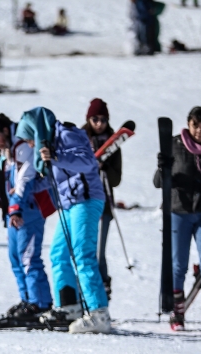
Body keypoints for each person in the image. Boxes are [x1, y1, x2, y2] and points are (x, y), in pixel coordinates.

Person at [15, 107, 111, 333]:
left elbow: (87, 162)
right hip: (69, 204)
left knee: (82, 254)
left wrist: (57, 156)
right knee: (58, 253)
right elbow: (51, 180)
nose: (30, 145)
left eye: (30, 139)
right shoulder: (46, 146)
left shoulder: (66, 134)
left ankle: (99, 313)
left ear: (37, 132)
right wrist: (20, 192)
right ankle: (69, 306)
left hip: (86, 200)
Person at [154, 106, 201, 334]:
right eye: (196, 125)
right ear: (189, 123)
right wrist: (162, 168)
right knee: (179, 265)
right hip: (179, 212)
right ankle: (177, 313)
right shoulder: (175, 145)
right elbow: (159, 182)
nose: (199, 131)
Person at [0, 113, 53, 325]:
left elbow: (25, 179)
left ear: (4, 131)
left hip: (27, 210)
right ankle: (27, 300)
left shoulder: (22, 144)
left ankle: (40, 304)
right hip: (15, 211)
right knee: (15, 257)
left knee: (28, 257)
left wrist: (15, 207)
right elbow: (7, 174)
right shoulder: (8, 149)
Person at [82, 99, 122, 299]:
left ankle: (102, 289)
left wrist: (106, 168)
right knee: (83, 250)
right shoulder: (79, 139)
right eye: (95, 119)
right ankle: (84, 291)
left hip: (103, 204)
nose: (99, 124)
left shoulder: (114, 144)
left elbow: (116, 180)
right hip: (81, 202)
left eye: (103, 119)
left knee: (99, 252)